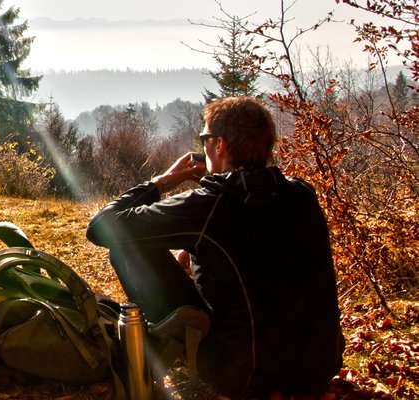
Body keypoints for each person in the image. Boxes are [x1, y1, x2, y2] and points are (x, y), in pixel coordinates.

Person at [86, 96, 344, 398]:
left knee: (125, 247)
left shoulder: (212, 204)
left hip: (246, 377)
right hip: (317, 369)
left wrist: (163, 182)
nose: (203, 146)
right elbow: (257, 246)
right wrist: (196, 245)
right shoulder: (301, 193)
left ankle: (174, 342)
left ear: (219, 145)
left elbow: (101, 228)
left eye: (204, 138)